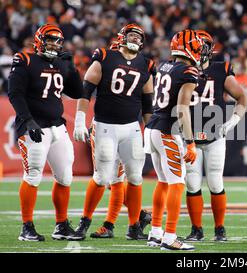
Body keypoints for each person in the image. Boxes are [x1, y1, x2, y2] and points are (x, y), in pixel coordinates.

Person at [72, 23, 154, 240]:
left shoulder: (146, 65)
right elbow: (86, 90)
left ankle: (134, 226)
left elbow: (148, 105)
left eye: (139, 36)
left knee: (135, 177)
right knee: (101, 177)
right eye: (132, 35)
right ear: (122, 37)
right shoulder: (105, 56)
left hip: (131, 128)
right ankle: (84, 223)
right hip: (105, 126)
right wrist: (80, 119)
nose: (135, 39)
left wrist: (151, 132)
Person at [8, 24, 84, 241]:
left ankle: (61, 225)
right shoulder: (25, 60)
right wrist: (28, 120)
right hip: (34, 127)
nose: (54, 44)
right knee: (33, 175)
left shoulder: (60, 64)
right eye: (50, 39)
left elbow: (77, 92)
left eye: (58, 41)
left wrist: (72, 69)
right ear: (40, 40)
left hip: (57, 127)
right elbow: (15, 94)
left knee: (65, 177)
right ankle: (27, 227)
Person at [184, 30, 247, 242]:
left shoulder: (220, 69)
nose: (200, 49)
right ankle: (196, 230)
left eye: (204, 45)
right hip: (189, 136)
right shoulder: (181, 69)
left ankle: (220, 229)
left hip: (214, 135)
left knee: (214, 182)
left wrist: (234, 121)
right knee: (192, 184)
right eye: (197, 44)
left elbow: (242, 97)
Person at [145, 29, 203, 251]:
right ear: (190, 48)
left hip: (152, 127)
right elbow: (181, 108)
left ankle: (156, 232)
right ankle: (169, 237)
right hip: (168, 130)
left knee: (163, 182)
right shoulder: (188, 70)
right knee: (177, 183)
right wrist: (190, 141)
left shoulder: (164, 65)